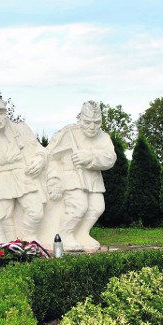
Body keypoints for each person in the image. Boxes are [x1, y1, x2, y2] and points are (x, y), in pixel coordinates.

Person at [0, 97, 48, 241]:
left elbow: (39, 149)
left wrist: (40, 159)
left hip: (23, 174)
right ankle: (10, 245)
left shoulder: (21, 129)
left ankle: (30, 240)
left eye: (0, 113)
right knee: (3, 215)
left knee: (36, 211)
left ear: (6, 114)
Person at [45, 100, 116, 250]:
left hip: (93, 179)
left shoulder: (103, 137)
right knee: (78, 206)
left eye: (97, 122)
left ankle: (82, 233)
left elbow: (110, 158)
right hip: (71, 176)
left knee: (97, 207)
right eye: (88, 122)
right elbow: (50, 156)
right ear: (80, 119)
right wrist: (54, 180)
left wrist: (90, 157)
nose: (92, 126)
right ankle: (64, 235)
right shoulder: (68, 132)